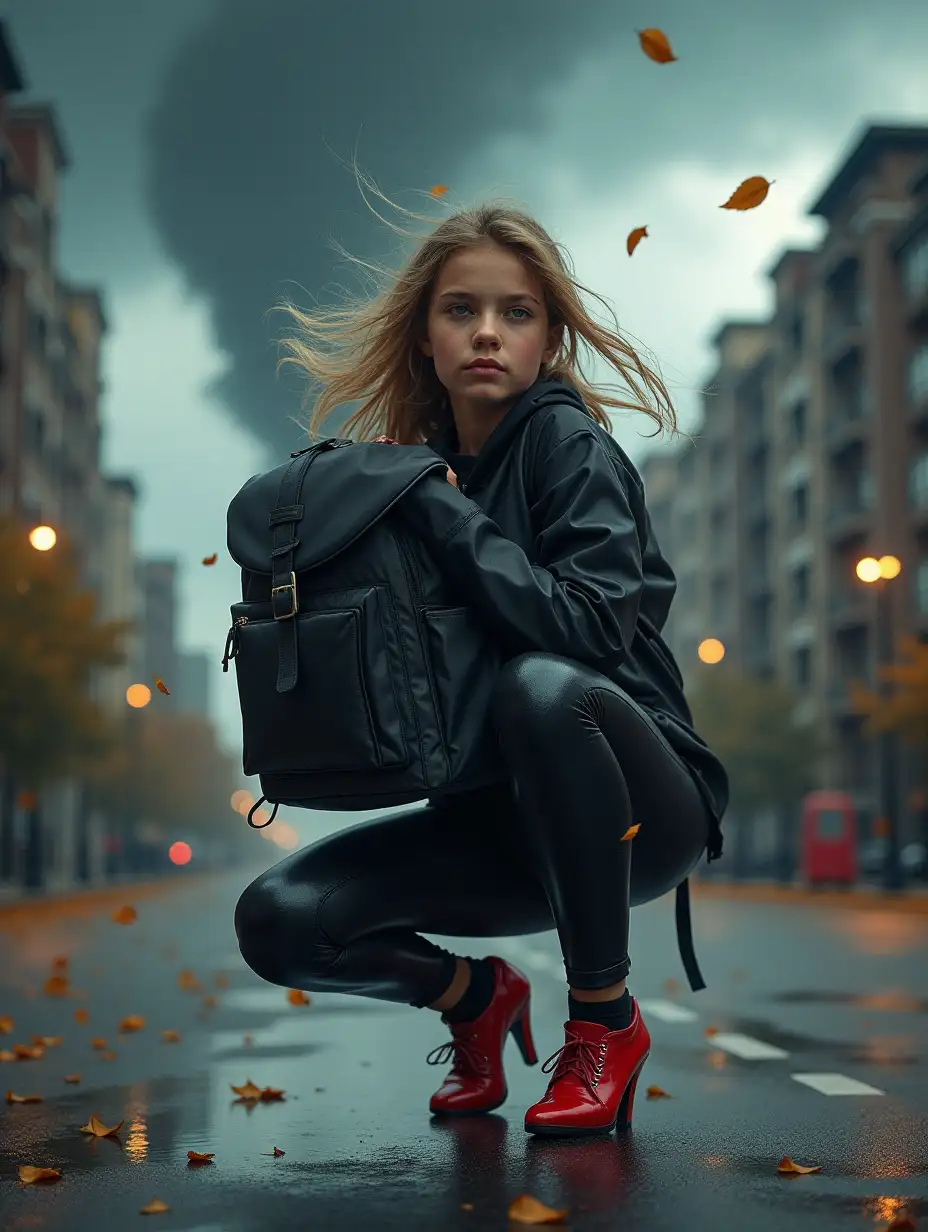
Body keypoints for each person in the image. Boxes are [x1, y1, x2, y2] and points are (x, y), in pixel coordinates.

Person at [234, 170, 729, 1139]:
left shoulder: (566, 448)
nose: (488, 331)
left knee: (543, 687)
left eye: (516, 311)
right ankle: (473, 997)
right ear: (427, 335)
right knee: (281, 917)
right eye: (460, 310)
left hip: (637, 805)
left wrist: (435, 505)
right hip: (495, 828)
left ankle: (602, 1020)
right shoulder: (413, 475)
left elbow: (582, 633)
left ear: (550, 338)